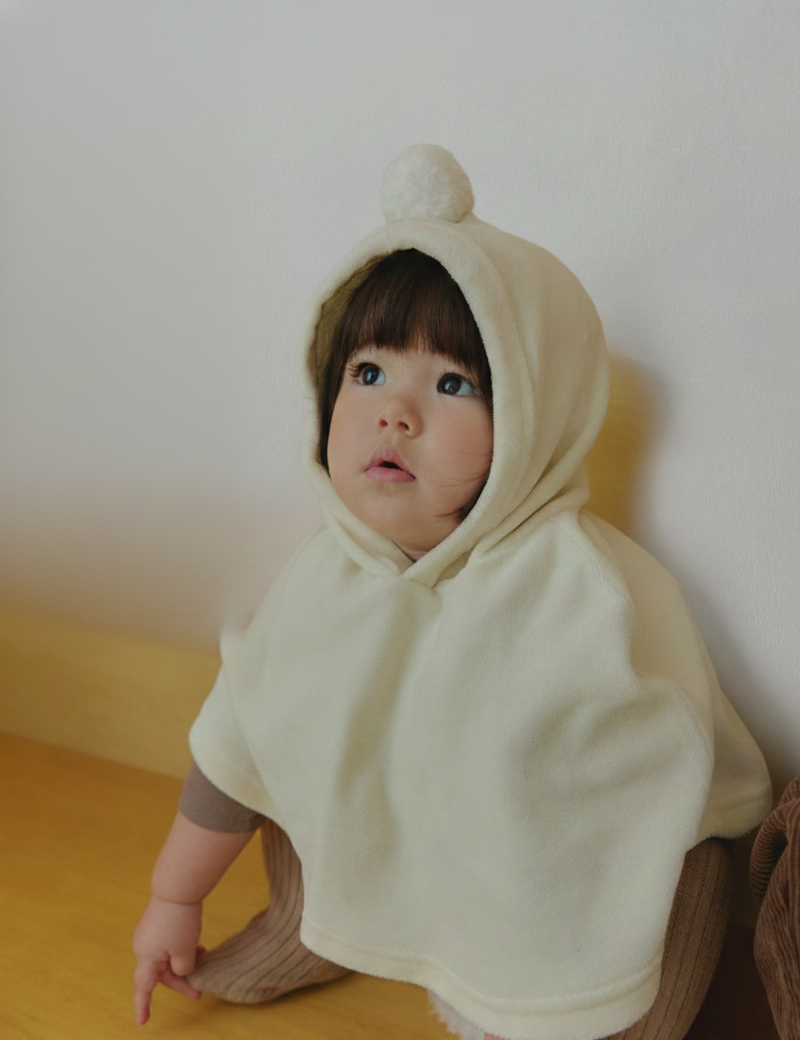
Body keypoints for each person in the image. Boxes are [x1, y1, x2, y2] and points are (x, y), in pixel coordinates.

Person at [133, 145, 772, 1040]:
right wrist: (174, 897)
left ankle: (525, 990)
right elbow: (235, 744)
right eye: (367, 373)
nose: (396, 411)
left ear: (534, 418)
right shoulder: (324, 575)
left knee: (670, 902)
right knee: (296, 727)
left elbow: (656, 788)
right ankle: (318, 928)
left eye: (452, 382)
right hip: (405, 836)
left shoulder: (587, 593)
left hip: (560, 884)